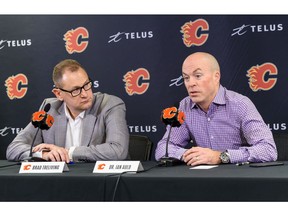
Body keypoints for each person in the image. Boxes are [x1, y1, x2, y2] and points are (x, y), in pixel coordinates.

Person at [155, 52, 277, 166]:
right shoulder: (185, 106)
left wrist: (222, 156)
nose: (190, 83)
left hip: (238, 179)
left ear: (216, 76)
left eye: (197, 76)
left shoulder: (240, 104)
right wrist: (191, 155)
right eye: (186, 78)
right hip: (201, 180)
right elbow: (163, 149)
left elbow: (268, 150)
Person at [6, 59, 129, 163]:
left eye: (87, 85)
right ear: (59, 94)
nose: (85, 94)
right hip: (60, 183)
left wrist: (68, 152)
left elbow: (118, 151)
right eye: (76, 90)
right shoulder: (50, 109)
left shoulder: (109, 105)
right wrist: (43, 154)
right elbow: (13, 148)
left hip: (101, 183)